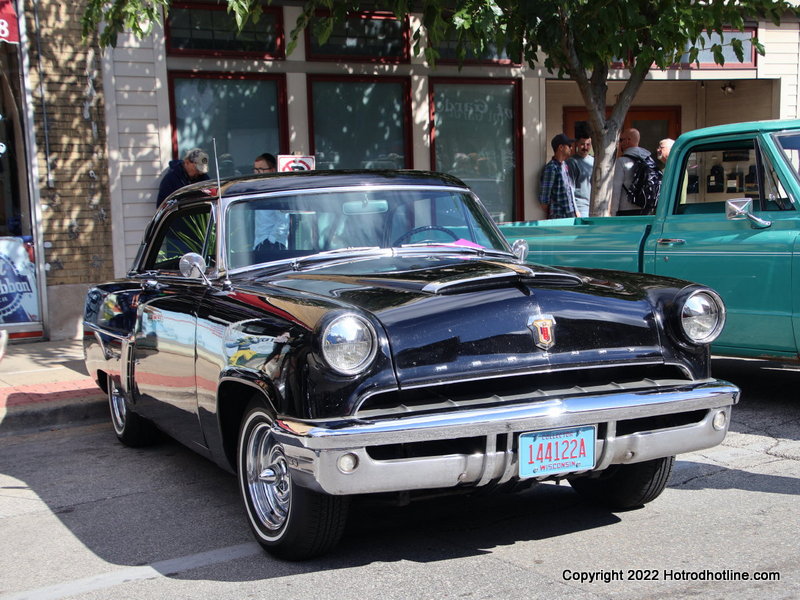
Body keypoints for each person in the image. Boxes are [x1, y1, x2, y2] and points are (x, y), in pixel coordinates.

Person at [610, 128, 656, 215]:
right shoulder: (649, 160)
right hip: (646, 208)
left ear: (628, 140)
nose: (620, 143)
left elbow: (616, 189)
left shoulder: (621, 161)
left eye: (621, 140)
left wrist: (613, 212)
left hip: (626, 210)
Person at [539, 133, 577, 219]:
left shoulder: (564, 165)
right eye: (569, 145)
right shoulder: (551, 168)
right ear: (561, 147)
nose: (571, 148)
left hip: (570, 214)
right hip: (558, 216)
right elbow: (544, 199)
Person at [566, 132, 593, 217]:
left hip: (593, 206)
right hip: (580, 208)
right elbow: (570, 188)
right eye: (582, 144)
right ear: (577, 144)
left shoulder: (594, 161)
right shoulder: (571, 162)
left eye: (588, 144)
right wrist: (576, 210)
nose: (585, 147)